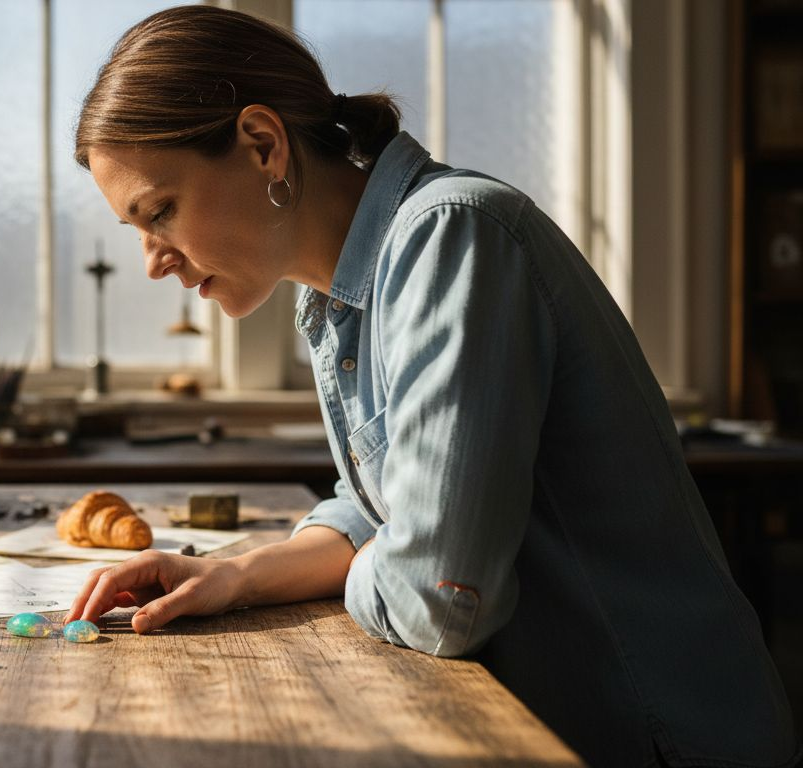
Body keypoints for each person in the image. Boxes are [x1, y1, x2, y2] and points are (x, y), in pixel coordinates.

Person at [61, 6, 799, 767]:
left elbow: (438, 599)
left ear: (262, 145)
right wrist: (233, 577)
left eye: (160, 212)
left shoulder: (451, 238)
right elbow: (382, 509)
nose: (154, 261)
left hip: (657, 740)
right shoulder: (343, 294)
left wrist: (400, 553)